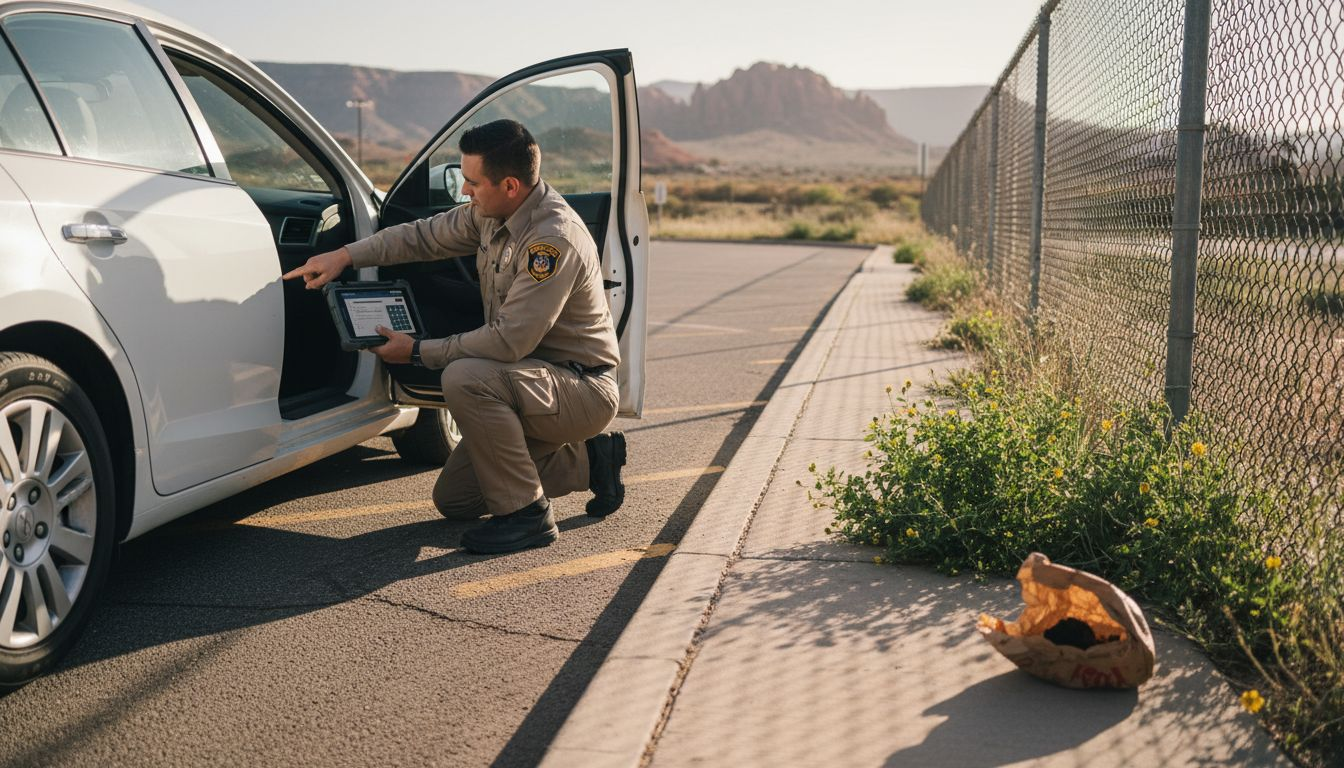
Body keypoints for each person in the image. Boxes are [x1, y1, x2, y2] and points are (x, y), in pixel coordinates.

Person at [283, 119, 626, 554]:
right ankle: (593, 462)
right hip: (528, 382)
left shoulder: (551, 241)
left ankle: (527, 517)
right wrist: (345, 255)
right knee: (456, 499)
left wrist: (418, 352)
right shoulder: (492, 214)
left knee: (465, 377)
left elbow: (508, 342)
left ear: (510, 186)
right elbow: (422, 237)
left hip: (579, 388)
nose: (465, 190)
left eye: (473, 182)